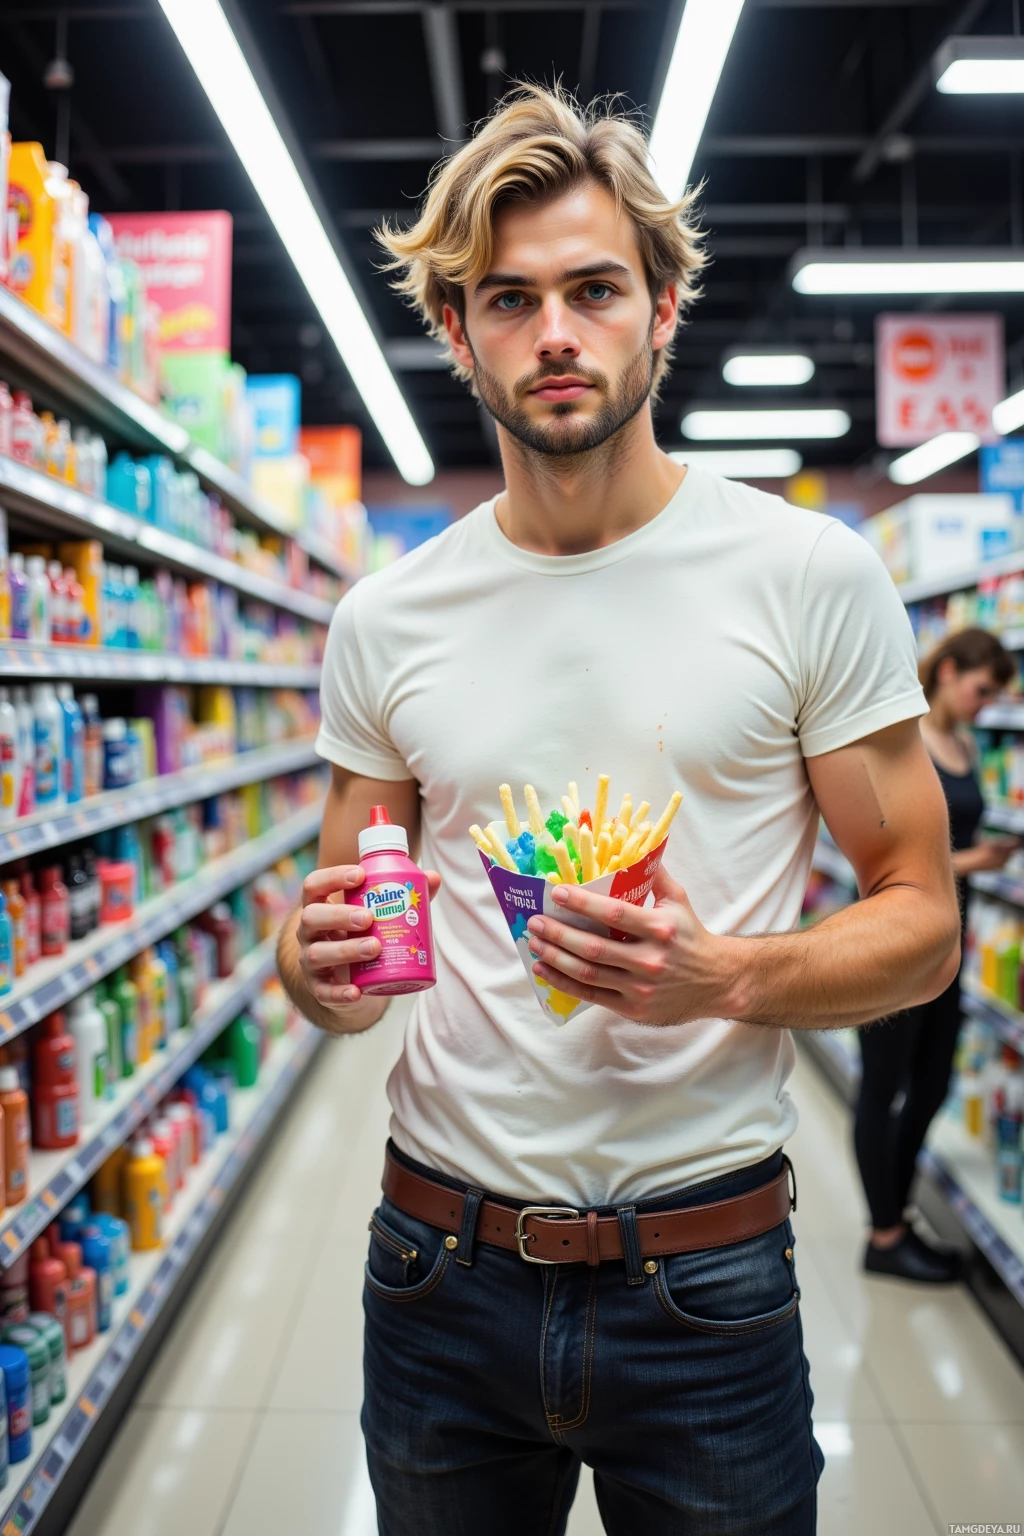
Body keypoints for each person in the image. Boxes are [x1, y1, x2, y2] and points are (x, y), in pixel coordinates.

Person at [277, 86, 959, 1536]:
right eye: (509, 301)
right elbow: (352, 950)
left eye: (594, 288)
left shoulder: (806, 577)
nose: (557, 333)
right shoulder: (388, 619)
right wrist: (308, 970)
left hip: (703, 1281)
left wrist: (731, 975)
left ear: (664, 306)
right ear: (457, 334)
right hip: (436, 1270)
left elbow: (923, 926)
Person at [855, 626, 1016, 1283]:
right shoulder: (903, 741)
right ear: (947, 670)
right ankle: (884, 1235)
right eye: (982, 689)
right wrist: (977, 861)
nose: (987, 703)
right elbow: (883, 856)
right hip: (894, 947)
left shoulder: (967, 744)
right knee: (882, 1088)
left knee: (934, 1084)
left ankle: (897, 1212)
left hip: (947, 946)